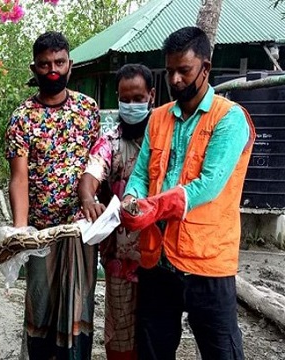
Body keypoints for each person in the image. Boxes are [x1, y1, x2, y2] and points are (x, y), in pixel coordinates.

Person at [120, 26, 255, 360]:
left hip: (207, 263)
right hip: (158, 259)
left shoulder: (230, 118)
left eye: (184, 71)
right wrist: (129, 198)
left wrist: (151, 207)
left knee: (221, 351)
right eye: (170, 71)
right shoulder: (158, 118)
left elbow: (208, 186)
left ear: (205, 69)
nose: (175, 79)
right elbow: (140, 173)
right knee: (152, 350)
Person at [5, 31, 100, 359]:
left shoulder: (88, 110)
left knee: (78, 307)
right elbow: (18, 179)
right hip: (41, 234)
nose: (53, 70)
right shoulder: (22, 117)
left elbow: (98, 165)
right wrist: (21, 231)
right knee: (41, 308)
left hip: (80, 231)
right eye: (45, 65)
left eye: (59, 62)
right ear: (34, 68)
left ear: (70, 65)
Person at [78, 64, 155, 360]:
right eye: (126, 98)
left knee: (155, 335)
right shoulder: (110, 141)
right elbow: (91, 174)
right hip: (120, 260)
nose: (132, 104)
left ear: (151, 95)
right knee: (120, 336)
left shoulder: (162, 138)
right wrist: (88, 197)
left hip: (158, 259)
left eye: (138, 98)